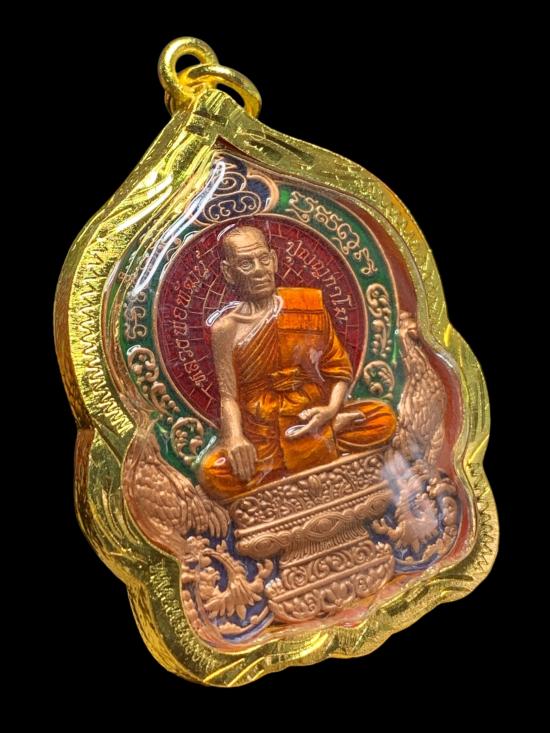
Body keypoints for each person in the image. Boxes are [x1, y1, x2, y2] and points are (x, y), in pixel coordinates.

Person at [198, 224, 396, 500]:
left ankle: (324, 433)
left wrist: (330, 410)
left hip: (311, 414)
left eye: (263, 259)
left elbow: (338, 371)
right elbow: (228, 396)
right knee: (214, 473)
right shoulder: (226, 329)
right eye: (245, 263)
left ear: (274, 260)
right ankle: (327, 438)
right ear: (229, 272)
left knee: (383, 419)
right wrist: (234, 438)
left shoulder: (306, 305)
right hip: (263, 432)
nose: (259, 270)